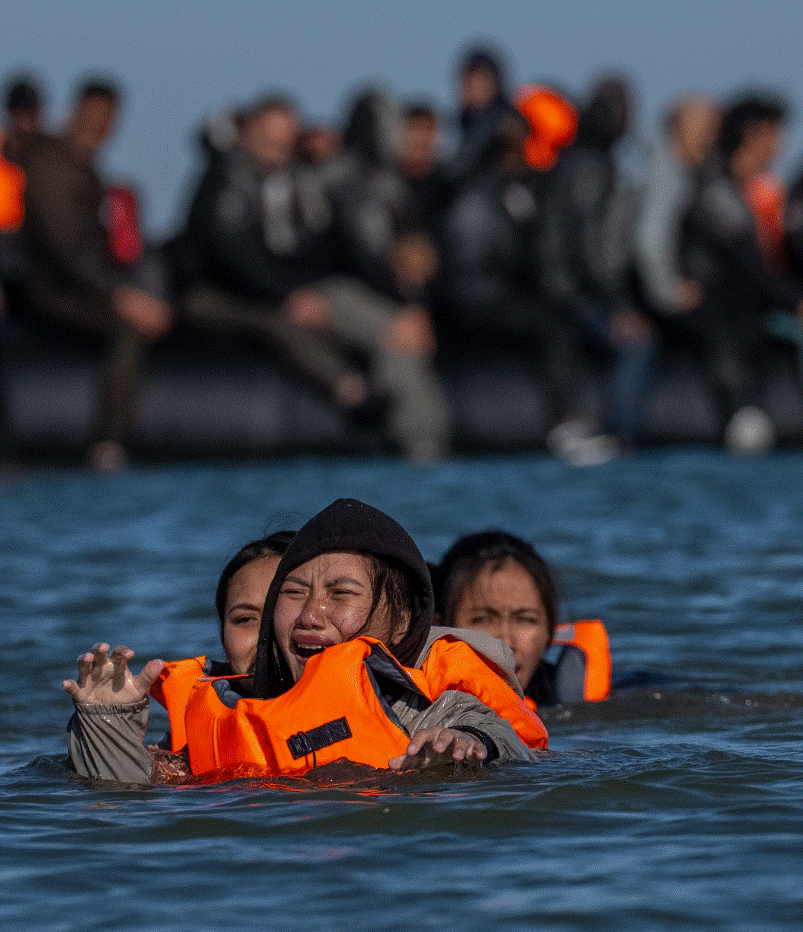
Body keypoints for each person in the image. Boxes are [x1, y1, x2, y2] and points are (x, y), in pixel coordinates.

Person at [64, 500, 547, 784]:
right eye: (293, 593)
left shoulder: (432, 711)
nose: (310, 614)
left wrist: (464, 748)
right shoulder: (227, 716)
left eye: (341, 594)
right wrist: (108, 726)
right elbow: (125, 801)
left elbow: (504, 740)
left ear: (400, 621)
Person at [175, 94, 450, 461]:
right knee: (278, 322)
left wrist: (406, 303)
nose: (279, 147)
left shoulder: (303, 182)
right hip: (234, 295)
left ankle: (422, 440)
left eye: (285, 139)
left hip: (306, 290)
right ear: (249, 134)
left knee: (394, 327)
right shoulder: (225, 182)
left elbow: (339, 244)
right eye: (271, 138)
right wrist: (288, 295)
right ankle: (351, 390)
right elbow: (235, 256)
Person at [15, 78, 172, 469]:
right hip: (47, 289)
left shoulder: (86, 168)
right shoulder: (52, 165)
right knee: (127, 328)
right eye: (95, 115)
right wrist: (121, 298)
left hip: (79, 286)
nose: (101, 127)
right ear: (76, 111)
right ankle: (109, 443)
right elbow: (64, 248)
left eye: (109, 118)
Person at [63, 530, 294, 783]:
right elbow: (118, 799)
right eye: (245, 619)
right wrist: (107, 726)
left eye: (281, 614)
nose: (265, 638)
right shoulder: (187, 752)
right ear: (223, 637)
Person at [538, 75, 657, 456]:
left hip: (560, 290)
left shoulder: (574, 159)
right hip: (570, 295)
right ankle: (621, 437)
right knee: (637, 343)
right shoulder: (592, 165)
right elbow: (591, 251)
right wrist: (619, 308)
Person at [683, 93, 803, 450]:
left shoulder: (757, 191)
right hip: (727, 316)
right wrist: (794, 300)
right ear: (752, 134)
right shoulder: (716, 191)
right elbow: (745, 269)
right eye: (774, 133)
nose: (780, 144)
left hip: (756, 308)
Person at [434, 530, 611, 708]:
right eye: (482, 619)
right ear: (440, 627)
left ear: (548, 631)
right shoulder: (417, 714)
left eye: (525, 620)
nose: (506, 643)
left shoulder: (579, 710)